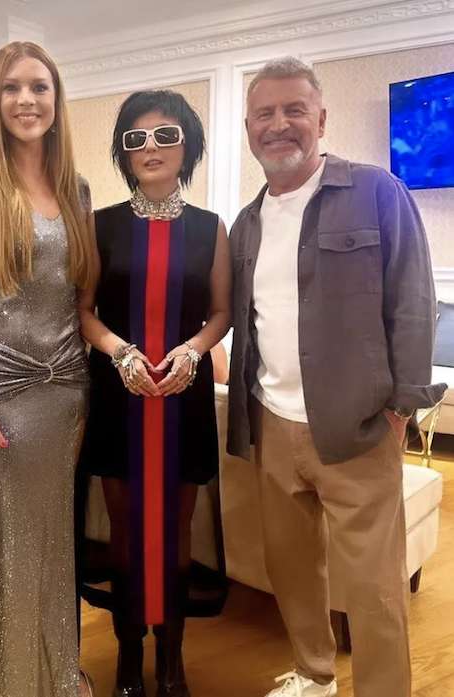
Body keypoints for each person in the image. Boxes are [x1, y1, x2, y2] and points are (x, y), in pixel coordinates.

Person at [227, 56, 446, 697]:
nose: (279, 124)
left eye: (294, 109)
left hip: (359, 427)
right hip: (272, 424)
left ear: (321, 119)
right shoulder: (246, 223)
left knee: (374, 587)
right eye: (264, 113)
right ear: (249, 129)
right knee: (292, 569)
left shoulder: (378, 191)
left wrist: (402, 408)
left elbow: (412, 302)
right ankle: (314, 674)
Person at [0, 41, 95, 697]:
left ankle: (61, 675)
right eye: (11, 88)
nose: (26, 100)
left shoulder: (76, 189)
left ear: (56, 100)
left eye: (39, 87)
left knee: (58, 537)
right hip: (6, 394)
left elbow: (78, 298)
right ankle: (16, 683)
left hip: (70, 389)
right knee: (15, 547)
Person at [78, 90, 232, 697]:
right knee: (124, 530)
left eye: (165, 135)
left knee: (177, 529)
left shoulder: (210, 228)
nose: (150, 148)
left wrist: (193, 351)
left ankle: (171, 657)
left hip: (183, 395)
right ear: (123, 152)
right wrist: (120, 351)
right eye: (135, 138)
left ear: (187, 146)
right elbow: (83, 312)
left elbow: (221, 313)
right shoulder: (100, 225)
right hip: (119, 394)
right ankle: (127, 654)